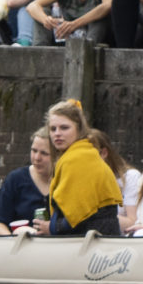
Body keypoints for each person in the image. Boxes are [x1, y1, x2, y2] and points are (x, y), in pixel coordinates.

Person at [34, 101, 122, 236]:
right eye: (53, 129)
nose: (57, 133)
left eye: (64, 128)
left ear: (79, 129)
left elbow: (76, 216)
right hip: (98, 238)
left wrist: (51, 228)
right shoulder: (85, 151)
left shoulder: (76, 158)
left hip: (93, 242)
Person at [0, 127, 55, 228]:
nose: (37, 158)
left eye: (44, 153)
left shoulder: (65, 181)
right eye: (34, 151)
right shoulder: (15, 180)